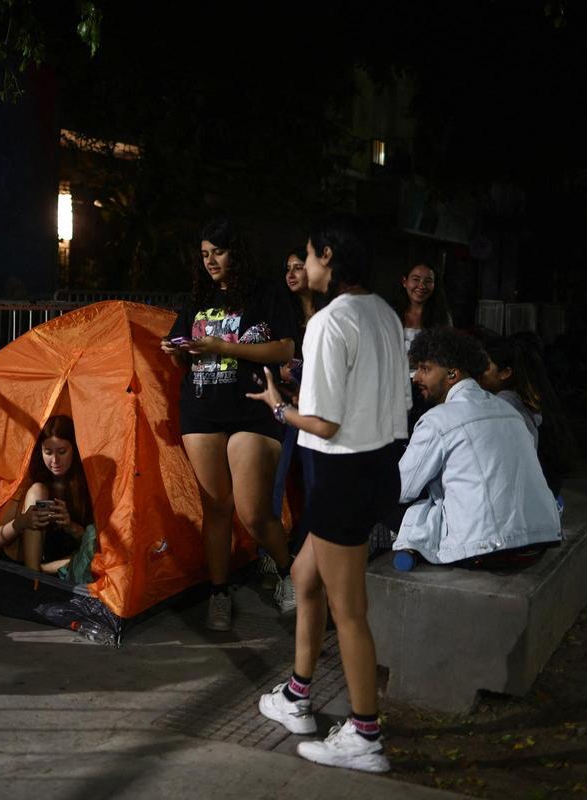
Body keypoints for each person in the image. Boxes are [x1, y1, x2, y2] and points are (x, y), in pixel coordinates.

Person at [248, 214, 408, 774]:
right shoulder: (386, 313)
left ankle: (365, 734)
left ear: (330, 259)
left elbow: (322, 423)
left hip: (340, 475)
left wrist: (276, 406)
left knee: (350, 612)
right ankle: (297, 696)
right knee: (303, 577)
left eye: (312, 257)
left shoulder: (330, 322)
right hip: (381, 468)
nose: (306, 266)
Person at [162, 218, 298, 630]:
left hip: (253, 411)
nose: (210, 262)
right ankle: (218, 594)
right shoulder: (197, 298)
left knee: (253, 512)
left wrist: (223, 346)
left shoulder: (266, 293)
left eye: (217, 252)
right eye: (204, 255)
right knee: (215, 508)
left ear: (235, 251)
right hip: (201, 411)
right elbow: (183, 352)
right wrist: (175, 349)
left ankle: (292, 572)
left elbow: (286, 348)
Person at [395, 328, 562, 565]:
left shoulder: (438, 420)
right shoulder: (509, 411)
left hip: (487, 549)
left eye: (425, 369)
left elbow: (400, 490)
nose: (416, 378)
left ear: (452, 373)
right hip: (536, 543)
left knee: (381, 496)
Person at [0, 414, 96, 577]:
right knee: (38, 490)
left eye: (62, 452)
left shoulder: (85, 485)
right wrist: (22, 522)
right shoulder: (31, 483)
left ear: (74, 450)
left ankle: (39, 573)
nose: (55, 460)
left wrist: (71, 527)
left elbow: (94, 543)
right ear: (40, 451)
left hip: (55, 564)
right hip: (18, 563)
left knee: (97, 557)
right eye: (48, 452)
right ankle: (33, 576)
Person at [478, 333, 575, 495]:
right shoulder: (528, 398)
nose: (478, 371)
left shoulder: (503, 407)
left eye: (486, 366)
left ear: (505, 373)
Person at [272, 248, 318, 532]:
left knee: (316, 477)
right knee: (276, 475)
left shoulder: (331, 312)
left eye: (298, 267)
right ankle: (267, 556)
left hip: (320, 401)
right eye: (288, 268)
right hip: (287, 398)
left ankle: (313, 547)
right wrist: (280, 369)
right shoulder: (281, 311)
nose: (290, 274)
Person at [395, 261, 451, 353]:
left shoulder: (442, 316)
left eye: (428, 281)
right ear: (404, 282)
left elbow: (446, 353)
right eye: (416, 279)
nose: (422, 286)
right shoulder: (392, 313)